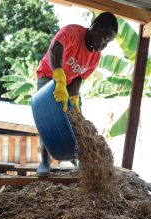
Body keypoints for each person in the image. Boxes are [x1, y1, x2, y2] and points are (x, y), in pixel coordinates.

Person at [36, 11, 118, 176]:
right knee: (47, 120)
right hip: (49, 75)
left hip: (68, 84)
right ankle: (44, 162)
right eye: (104, 38)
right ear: (95, 27)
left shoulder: (95, 57)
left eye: (108, 42)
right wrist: (58, 80)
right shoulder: (72, 32)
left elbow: (78, 78)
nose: (104, 45)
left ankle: (78, 160)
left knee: (78, 122)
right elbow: (55, 51)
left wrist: (74, 99)